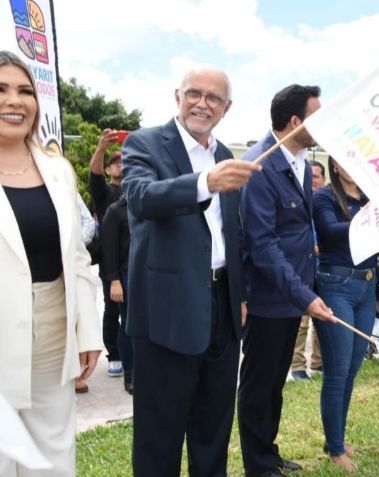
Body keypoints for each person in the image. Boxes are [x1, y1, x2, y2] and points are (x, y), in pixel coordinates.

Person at [122, 67, 259, 476]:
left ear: (226, 108)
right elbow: (142, 197)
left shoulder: (225, 156)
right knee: (159, 433)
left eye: (213, 98)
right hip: (167, 310)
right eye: (194, 93)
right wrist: (205, 183)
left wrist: (240, 294)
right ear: (177, 96)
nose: (202, 103)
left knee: (212, 427)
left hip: (222, 307)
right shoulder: (145, 143)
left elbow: (228, 234)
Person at [0, 50, 101, 477]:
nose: (14, 101)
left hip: (54, 330)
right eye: (1, 90)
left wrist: (88, 331)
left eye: (25, 91)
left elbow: (77, 257)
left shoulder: (58, 170)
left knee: (52, 454)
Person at [239, 84, 335, 477]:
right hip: (269, 295)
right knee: (259, 383)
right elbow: (261, 245)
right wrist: (303, 294)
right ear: (296, 121)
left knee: (275, 382)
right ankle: (258, 465)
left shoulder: (297, 161)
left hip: (291, 293)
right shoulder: (260, 166)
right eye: (318, 115)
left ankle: (268, 451)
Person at [312, 157, 376, 472]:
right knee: (336, 372)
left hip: (367, 284)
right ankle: (336, 449)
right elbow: (329, 231)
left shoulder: (368, 197)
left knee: (351, 369)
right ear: (335, 164)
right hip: (336, 285)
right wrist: (370, 218)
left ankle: (335, 438)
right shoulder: (325, 195)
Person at [90, 135, 124, 380]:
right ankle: (114, 355)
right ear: (110, 167)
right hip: (111, 263)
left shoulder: (137, 190)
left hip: (135, 262)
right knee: (112, 309)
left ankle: (130, 356)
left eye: (125, 162)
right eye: (116, 162)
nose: (120, 166)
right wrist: (101, 149)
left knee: (133, 314)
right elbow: (94, 176)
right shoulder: (105, 193)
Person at [290, 158, 327, 381]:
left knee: (323, 318)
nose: (312, 180)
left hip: (324, 269)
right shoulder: (299, 200)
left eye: (316, 176)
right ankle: (297, 366)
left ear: (323, 179)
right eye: (308, 176)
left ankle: (318, 363)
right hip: (302, 269)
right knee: (302, 322)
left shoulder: (326, 202)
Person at [100, 195, 134, 394]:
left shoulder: (147, 207)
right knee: (128, 325)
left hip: (148, 275)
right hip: (125, 276)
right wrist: (114, 281)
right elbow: (109, 249)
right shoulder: (115, 211)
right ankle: (129, 373)